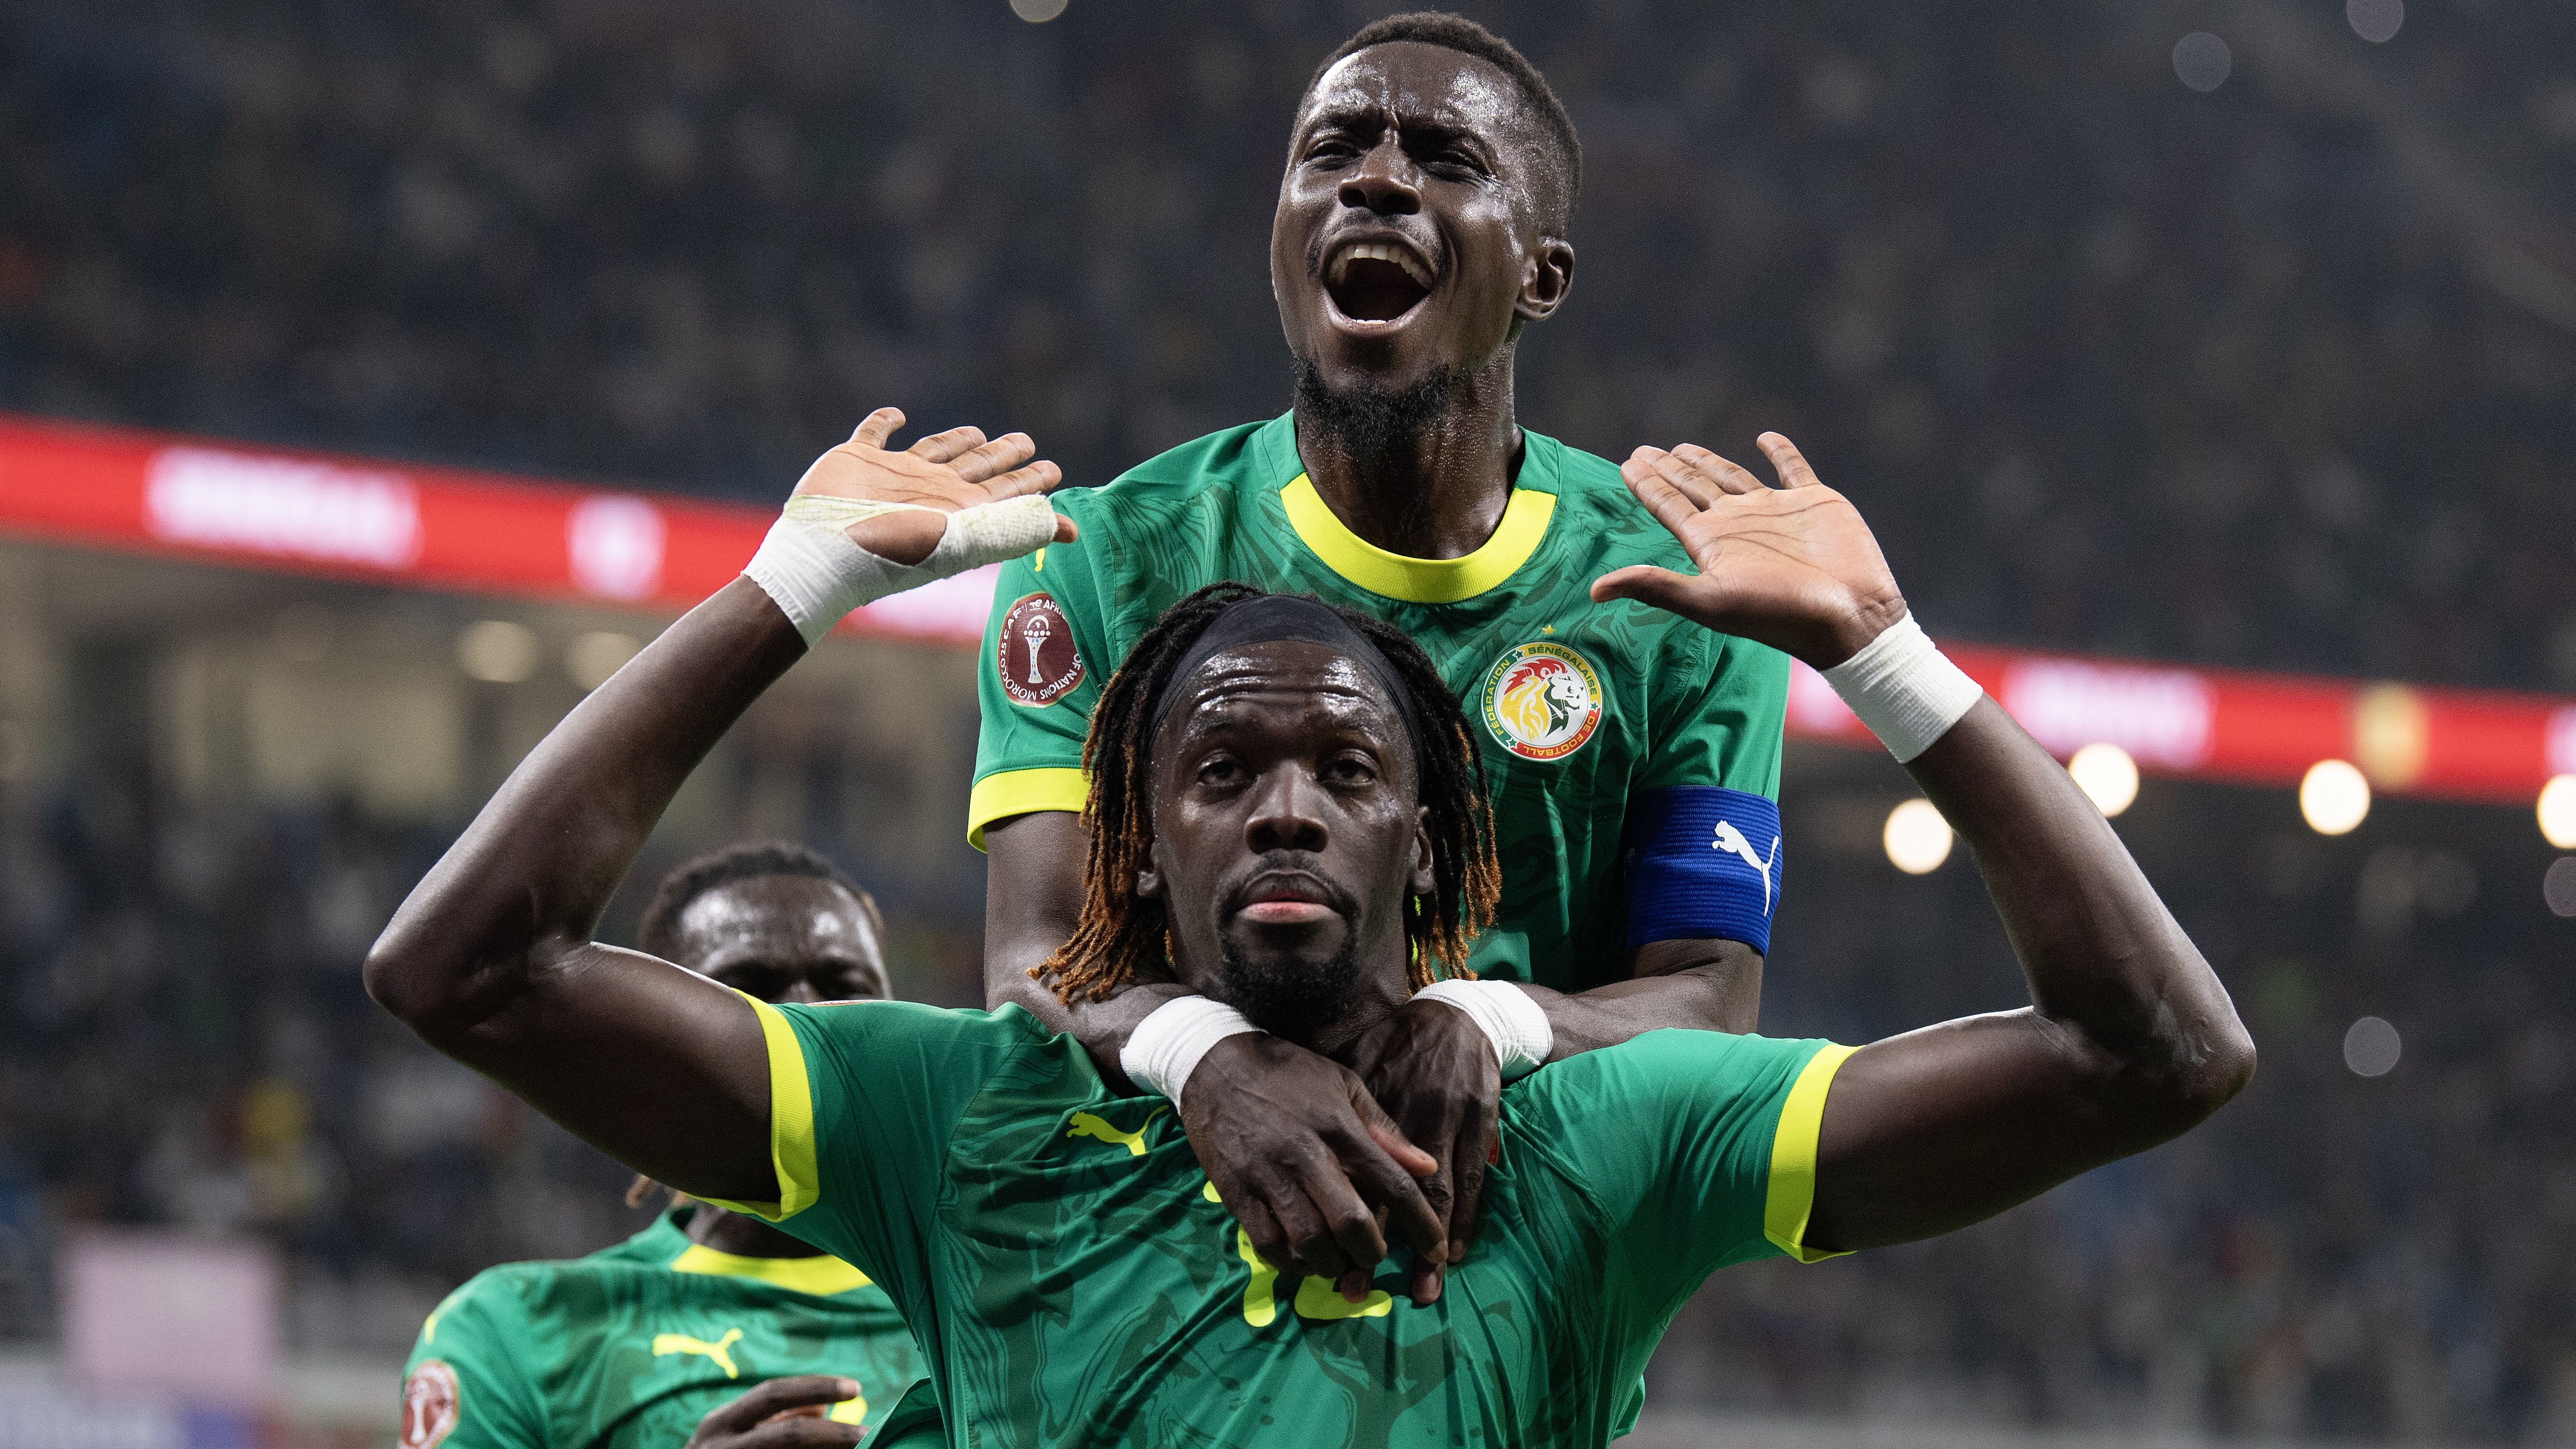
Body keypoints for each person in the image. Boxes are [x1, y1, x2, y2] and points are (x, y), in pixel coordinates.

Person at [365, 411, 2255, 1445]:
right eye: (1218, 769)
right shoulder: (961, 1117)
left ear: (1434, 848)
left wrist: (1893, 663)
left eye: (1346, 769)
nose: (1282, 800)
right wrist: (792, 586)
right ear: (1133, 847)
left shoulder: (1597, 1141)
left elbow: (2152, 1056)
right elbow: (466, 967)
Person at [972, 13, 1793, 1278]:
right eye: (1332, 150)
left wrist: (1491, 1017)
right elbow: (1033, 971)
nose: (1375, 178)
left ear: (1541, 275)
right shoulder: (1100, 556)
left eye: (1444, 159)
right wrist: (1207, 1056)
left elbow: (1711, 1005)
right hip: (1140, 1278)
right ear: (1282, 240)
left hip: (1489, 1292)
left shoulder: (1676, 592)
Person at [394, 844, 924, 1449]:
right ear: (656, 1047)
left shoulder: (1000, 1309)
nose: (805, 1018)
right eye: (747, 989)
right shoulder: (519, 1334)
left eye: (844, 986)